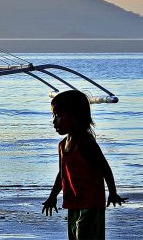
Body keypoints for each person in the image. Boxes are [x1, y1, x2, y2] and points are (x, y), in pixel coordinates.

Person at [42, 90, 128, 239]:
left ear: (75, 117)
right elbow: (62, 173)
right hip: (73, 203)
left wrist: (112, 192)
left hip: (92, 203)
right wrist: (52, 196)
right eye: (53, 116)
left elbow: (105, 168)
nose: (54, 121)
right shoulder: (62, 145)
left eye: (58, 115)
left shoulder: (86, 144)